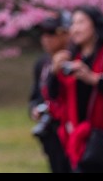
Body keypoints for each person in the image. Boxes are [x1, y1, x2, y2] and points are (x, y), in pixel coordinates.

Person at [47, 5, 103, 173]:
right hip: (78, 137)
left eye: (81, 22)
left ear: (96, 25)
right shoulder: (72, 57)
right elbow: (56, 95)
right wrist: (53, 72)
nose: (75, 29)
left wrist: (93, 79)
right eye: (73, 24)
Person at [29, 12, 72, 173]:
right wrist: (35, 109)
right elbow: (35, 96)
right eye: (43, 33)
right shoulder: (42, 63)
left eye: (52, 33)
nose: (46, 38)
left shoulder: (77, 60)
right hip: (50, 133)